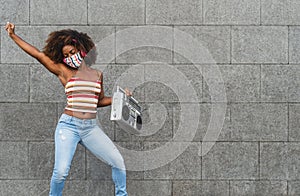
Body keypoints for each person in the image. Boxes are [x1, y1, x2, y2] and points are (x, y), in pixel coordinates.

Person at [5, 22, 129, 196]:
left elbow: (99, 101)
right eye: (66, 55)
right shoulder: (63, 71)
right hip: (69, 126)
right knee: (61, 172)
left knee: (118, 162)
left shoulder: (97, 74)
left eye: (73, 51)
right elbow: (38, 55)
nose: (70, 56)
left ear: (81, 48)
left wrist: (119, 98)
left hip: (90, 128)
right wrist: (13, 36)